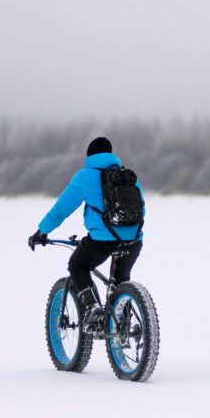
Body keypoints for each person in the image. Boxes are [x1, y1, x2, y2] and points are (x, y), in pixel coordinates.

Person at [28, 137, 144, 330]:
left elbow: (61, 210)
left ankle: (92, 309)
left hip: (102, 241)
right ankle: (123, 321)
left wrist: (42, 231)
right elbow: (141, 209)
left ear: (90, 156)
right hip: (133, 241)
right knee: (121, 280)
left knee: (77, 265)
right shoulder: (129, 177)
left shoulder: (85, 176)